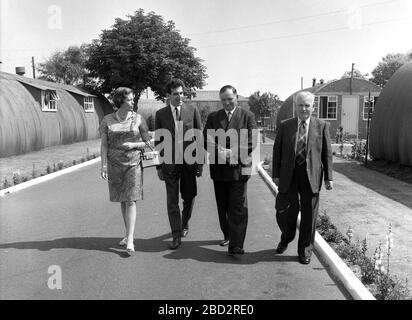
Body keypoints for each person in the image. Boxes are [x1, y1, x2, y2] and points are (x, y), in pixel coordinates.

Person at [272, 91, 333, 265]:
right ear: (295, 107)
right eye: (300, 105)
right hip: (289, 175)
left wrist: (329, 177)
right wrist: (275, 174)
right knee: (285, 213)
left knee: (309, 216)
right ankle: (286, 237)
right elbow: (277, 152)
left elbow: (327, 153)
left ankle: (305, 250)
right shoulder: (286, 125)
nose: (304, 109)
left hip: (311, 176)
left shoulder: (321, 126)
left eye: (307, 105)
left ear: (313, 107)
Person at [204, 85, 257, 255]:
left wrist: (232, 152)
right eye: (223, 100)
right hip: (219, 171)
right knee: (223, 206)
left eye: (230, 99)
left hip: (240, 169)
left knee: (238, 207)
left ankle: (236, 244)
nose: (227, 102)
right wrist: (221, 151)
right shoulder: (213, 117)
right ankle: (227, 234)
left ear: (237, 97)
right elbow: (206, 139)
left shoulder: (247, 116)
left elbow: (252, 141)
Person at [99, 87, 151, 256]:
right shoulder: (107, 120)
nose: (132, 102)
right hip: (114, 164)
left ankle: (130, 239)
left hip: (134, 163)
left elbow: (148, 143)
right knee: (122, 200)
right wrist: (103, 165)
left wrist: (134, 145)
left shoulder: (138, 119)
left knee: (131, 200)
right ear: (120, 101)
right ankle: (127, 233)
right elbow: (104, 145)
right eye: (129, 99)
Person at [154, 79, 203, 250]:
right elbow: (158, 142)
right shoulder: (160, 115)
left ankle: (184, 222)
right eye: (175, 94)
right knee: (172, 201)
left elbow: (199, 136)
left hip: (189, 163)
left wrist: (200, 162)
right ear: (168, 96)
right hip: (169, 165)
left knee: (189, 197)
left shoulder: (192, 110)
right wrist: (158, 166)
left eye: (181, 93)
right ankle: (176, 235)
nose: (179, 97)